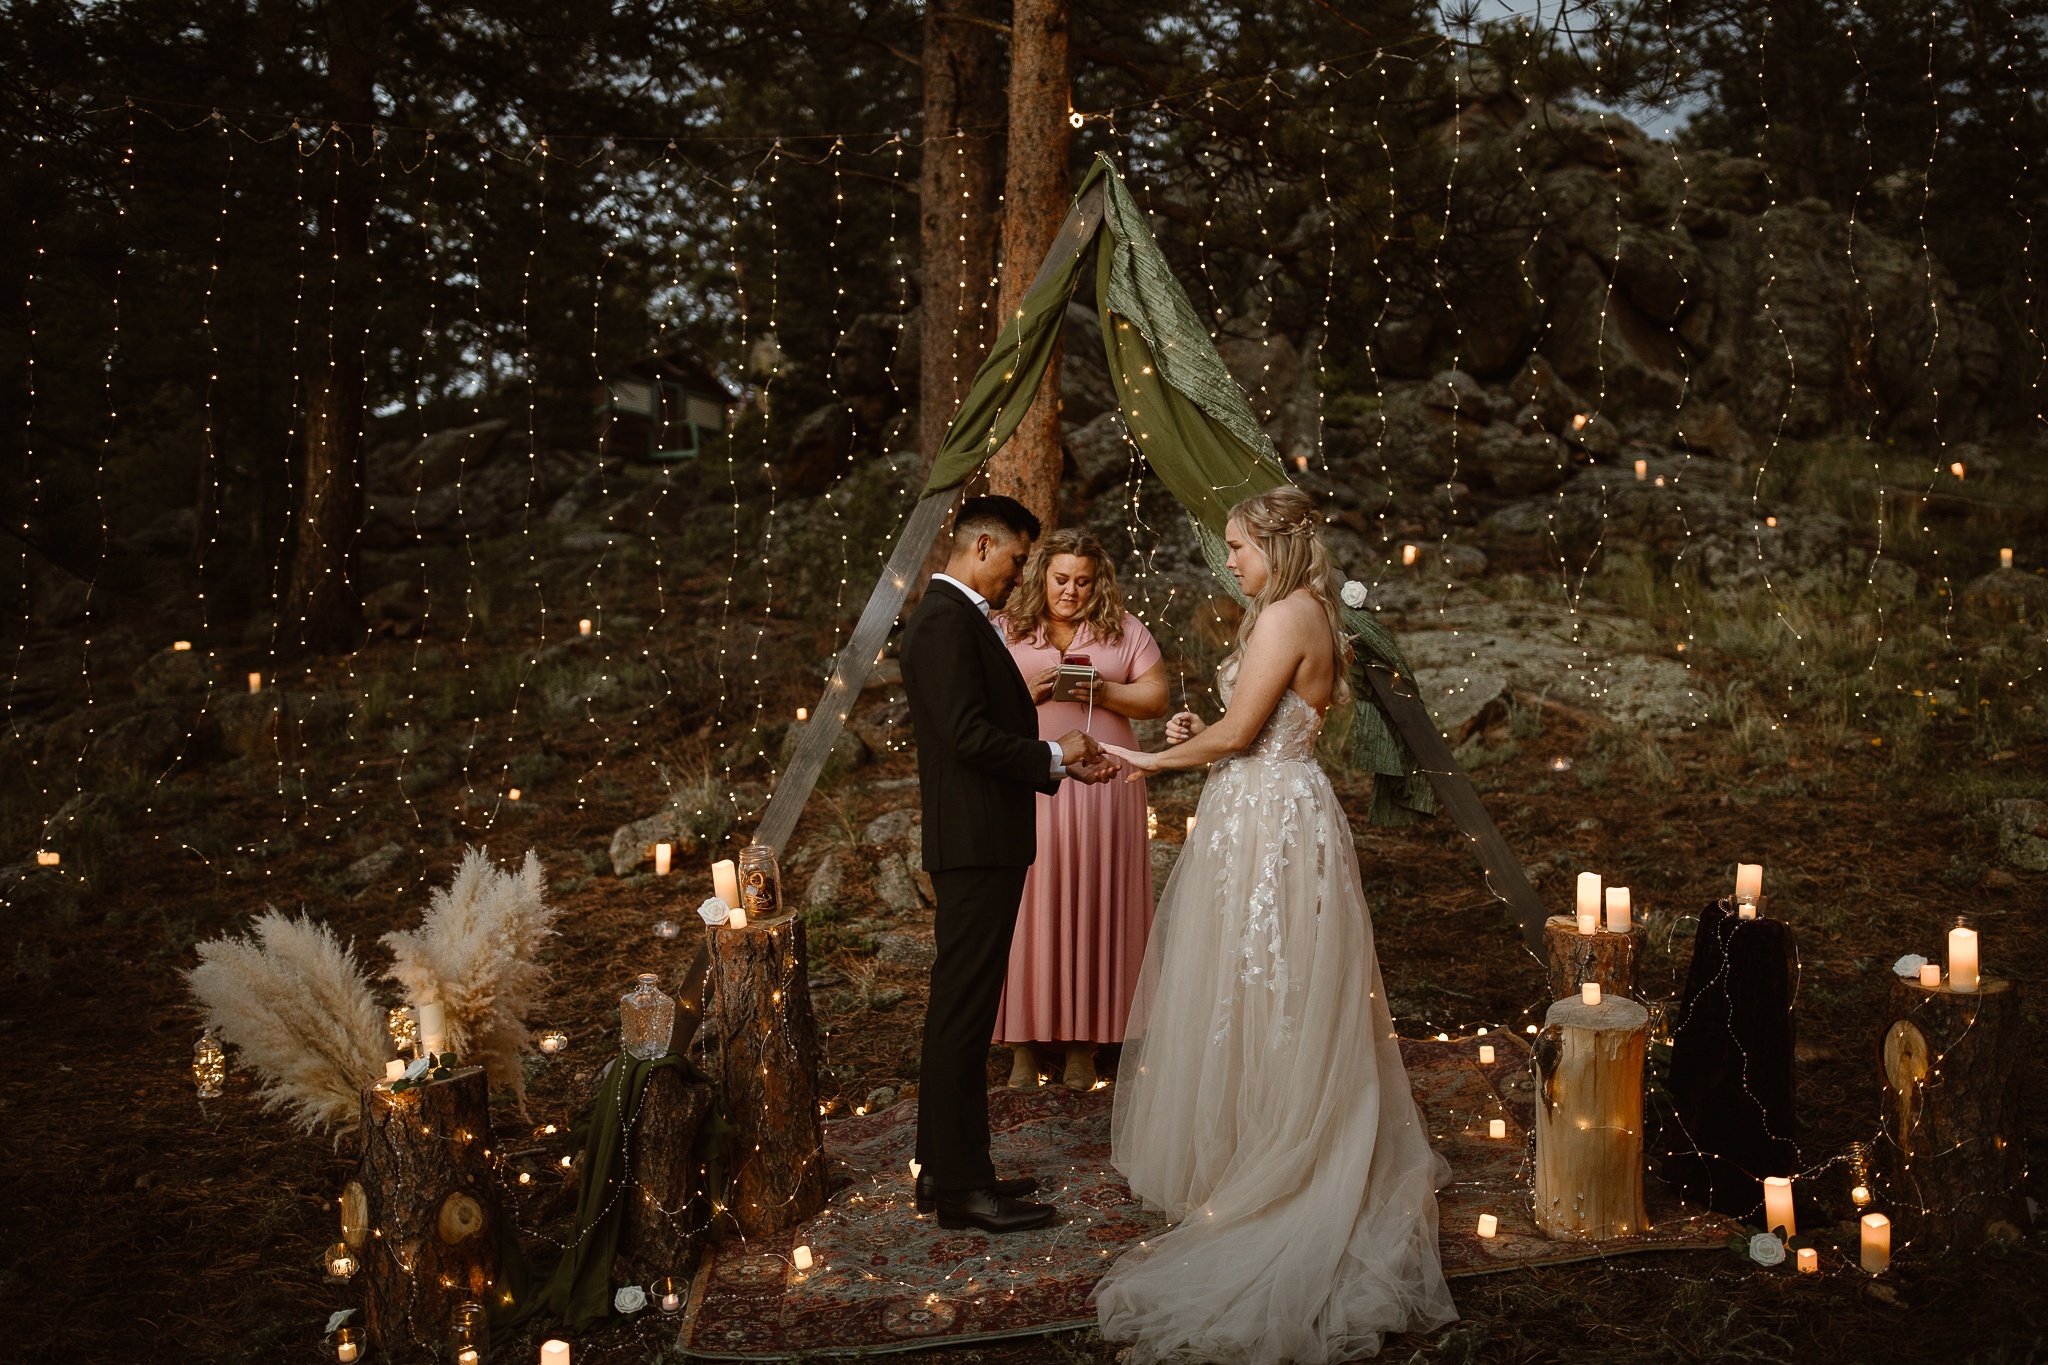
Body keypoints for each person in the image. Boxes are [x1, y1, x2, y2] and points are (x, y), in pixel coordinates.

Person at [1094, 487, 1456, 1364]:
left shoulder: (1287, 615)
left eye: (1240, 547)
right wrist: (1195, 727)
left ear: (1279, 548)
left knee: (1271, 982)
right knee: (1243, 984)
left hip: (1270, 820)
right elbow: (1237, 726)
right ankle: (1239, 1146)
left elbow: (1239, 735)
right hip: (1262, 806)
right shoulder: (1292, 610)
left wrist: (1150, 755)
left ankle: (1278, 1155)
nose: (1232, 561)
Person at [899, 495, 1118, 1234]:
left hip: (983, 838)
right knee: (962, 1013)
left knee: (958, 1008)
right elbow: (966, 736)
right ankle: (962, 1187)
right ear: (983, 544)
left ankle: (949, 1171)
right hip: (974, 842)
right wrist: (1055, 755)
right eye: (1019, 560)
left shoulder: (957, 619)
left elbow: (985, 723)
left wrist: (1058, 762)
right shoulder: (941, 620)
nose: (1018, 576)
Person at [992, 529, 1169, 1092]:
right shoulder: (1006, 627)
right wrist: (1031, 692)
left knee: (1097, 901)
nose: (1070, 591)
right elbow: (976, 701)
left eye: (1083, 581)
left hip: (1105, 789)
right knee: (1026, 905)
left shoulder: (1122, 627)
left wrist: (1099, 690)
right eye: (1060, 579)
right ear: (1042, 574)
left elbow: (1156, 697)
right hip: (1028, 781)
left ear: (1099, 581)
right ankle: (1021, 1043)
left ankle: (1082, 1046)